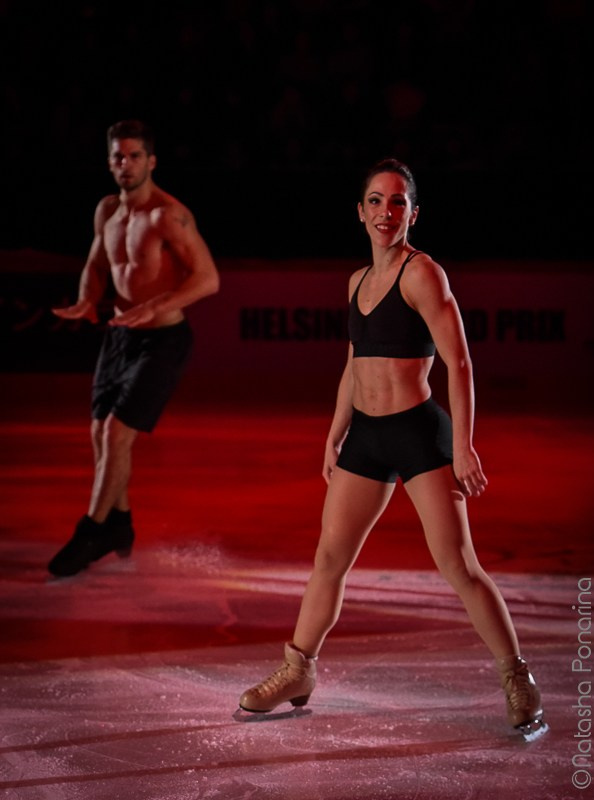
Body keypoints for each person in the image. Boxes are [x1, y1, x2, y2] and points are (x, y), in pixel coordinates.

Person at [239, 158, 544, 732]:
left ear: (414, 213)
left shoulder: (423, 273)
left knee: (459, 565)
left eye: (398, 201)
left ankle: (517, 677)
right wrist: (335, 432)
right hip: (367, 437)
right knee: (329, 559)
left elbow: (459, 362)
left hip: (418, 434)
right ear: (360, 212)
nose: (386, 211)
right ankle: (298, 670)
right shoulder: (355, 281)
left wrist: (464, 445)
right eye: (376, 201)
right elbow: (354, 365)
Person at [47, 119, 219, 578]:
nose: (126, 164)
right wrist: (87, 299)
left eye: (134, 156)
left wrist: (156, 305)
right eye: (118, 156)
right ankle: (119, 524)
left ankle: (90, 531)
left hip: (163, 339)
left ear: (151, 161)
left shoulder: (169, 215)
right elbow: (96, 263)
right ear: (109, 162)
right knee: (100, 433)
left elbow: (208, 279)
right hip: (120, 335)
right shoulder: (107, 210)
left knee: (116, 434)